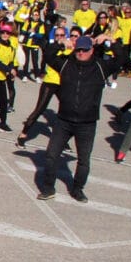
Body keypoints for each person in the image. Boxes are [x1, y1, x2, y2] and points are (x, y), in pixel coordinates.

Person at [36, 35, 117, 203]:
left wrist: (111, 41)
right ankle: (48, 187)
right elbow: (48, 56)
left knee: (83, 160)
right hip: (64, 119)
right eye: (78, 49)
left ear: (92, 50)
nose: (81, 53)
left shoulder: (100, 67)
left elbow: (121, 58)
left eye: (84, 50)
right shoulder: (66, 63)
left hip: (87, 123)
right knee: (51, 155)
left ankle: (77, 189)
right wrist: (59, 44)